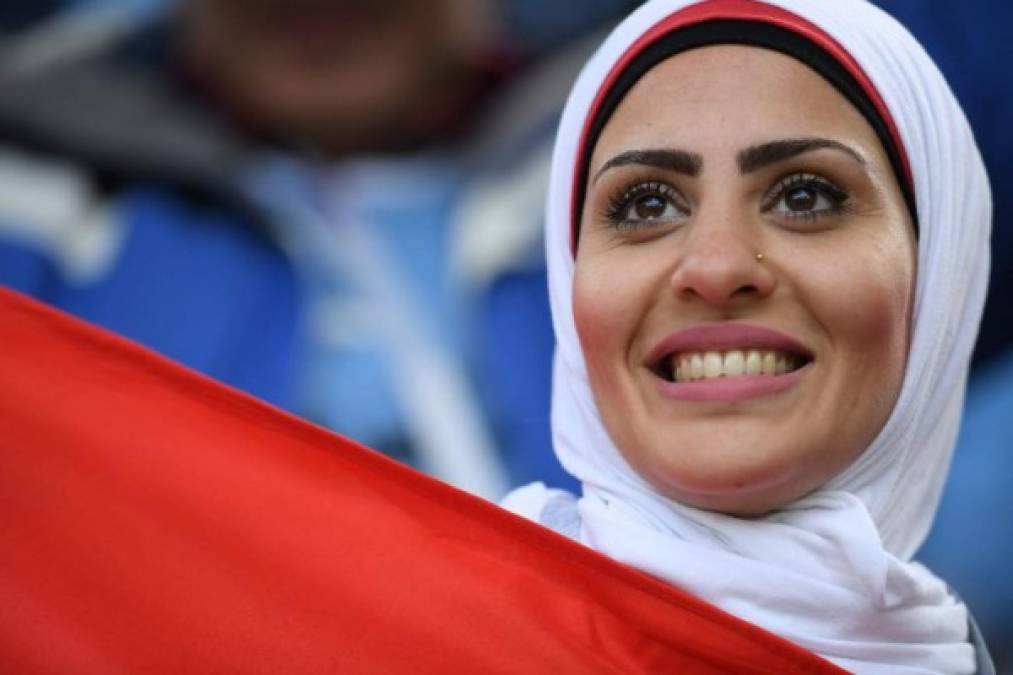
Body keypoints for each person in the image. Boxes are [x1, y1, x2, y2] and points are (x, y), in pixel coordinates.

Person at [502, 0, 993, 672]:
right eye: (646, 204)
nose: (716, 266)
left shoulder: (942, 652)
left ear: (938, 268)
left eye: (804, 197)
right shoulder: (416, 633)